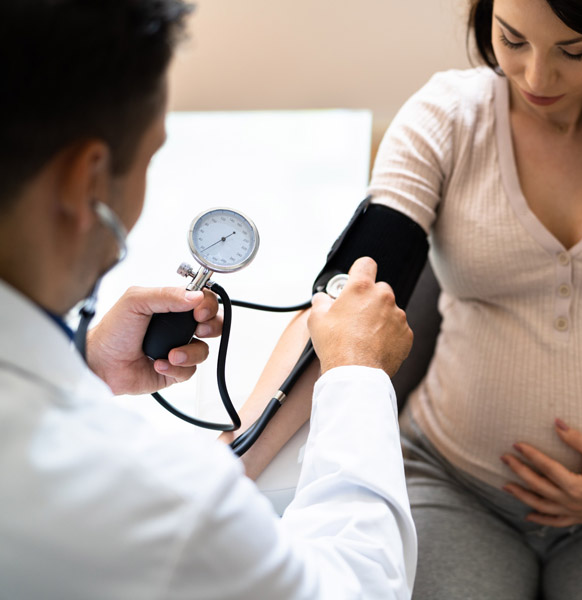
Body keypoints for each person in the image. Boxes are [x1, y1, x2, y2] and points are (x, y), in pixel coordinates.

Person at [234, 0, 582, 598]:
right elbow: (346, 302)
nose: (535, 77)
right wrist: (227, 467)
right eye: (512, 39)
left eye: (572, 52)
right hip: (454, 482)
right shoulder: (446, 119)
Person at [0, 1, 417, 598]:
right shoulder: (166, 504)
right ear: (86, 182)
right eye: (152, 153)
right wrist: (356, 376)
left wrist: (86, 363)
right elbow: (357, 586)